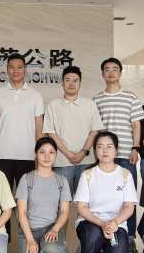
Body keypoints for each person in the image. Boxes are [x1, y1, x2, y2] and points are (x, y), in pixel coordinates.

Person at [0, 53, 43, 233]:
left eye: (19, 67)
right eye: (12, 67)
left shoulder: (35, 95)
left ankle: (27, 238)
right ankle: (2, 237)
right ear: (7, 70)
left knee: (27, 201)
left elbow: (39, 127)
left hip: (28, 156)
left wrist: (39, 155)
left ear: (25, 70)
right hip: (1, 155)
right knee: (1, 201)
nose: (16, 71)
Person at [92, 58, 144, 253]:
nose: (111, 72)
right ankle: (98, 238)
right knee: (102, 197)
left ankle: (129, 240)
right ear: (102, 74)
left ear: (120, 73)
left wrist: (135, 148)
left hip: (125, 155)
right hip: (104, 157)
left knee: (127, 199)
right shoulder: (96, 99)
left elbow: (136, 125)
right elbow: (95, 129)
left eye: (115, 69)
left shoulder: (130, 97)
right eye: (107, 69)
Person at [73, 131, 138, 253]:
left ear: (116, 150)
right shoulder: (88, 174)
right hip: (91, 222)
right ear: (95, 150)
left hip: (116, 224)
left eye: (109, 146)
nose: (105, 150)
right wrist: (102, 224)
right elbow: (82, 207)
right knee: (94, 232)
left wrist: (115, 222)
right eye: (100, 146)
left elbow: (129, 207)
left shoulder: (125, 174)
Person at [16, 137, 72, 253]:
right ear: (36, 154)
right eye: (42, 152)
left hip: (50, 229)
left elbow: (65, 211)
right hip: (30, 230)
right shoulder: (26, 179)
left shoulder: (61, 181)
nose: (47, 156)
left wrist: (55, 229)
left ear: (56, 155)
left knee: (53, 250)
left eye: (51, 152)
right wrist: (30, 240)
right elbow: (21, 213)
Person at [43, 66, 103, 195]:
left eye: (75, 80)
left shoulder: (90, 104)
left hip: (86, 161)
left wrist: (83, 152)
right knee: (63, 199)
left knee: (85, 199)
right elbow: (51, 133)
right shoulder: (53, 105)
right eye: (67, 80)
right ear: (62, 83)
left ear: (80, 83)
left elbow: (94, 131)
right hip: (62, 162)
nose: (71, 84)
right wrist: (69, 154)